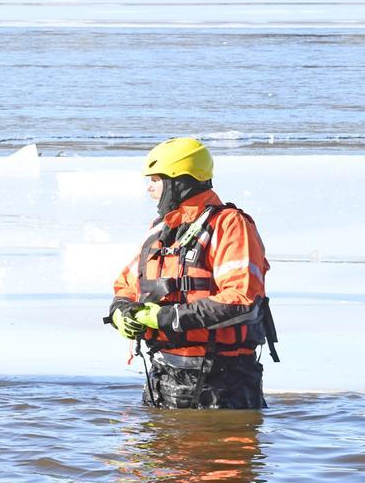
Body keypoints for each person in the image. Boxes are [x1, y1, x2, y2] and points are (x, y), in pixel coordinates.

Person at [107, 138, 278, 409]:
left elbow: (242, 299)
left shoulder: (231, 225)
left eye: (155, 179)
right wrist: (121, 309)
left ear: (179, 181)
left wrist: (166, 317)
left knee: (218, 450)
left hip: (224, 380)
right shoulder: (159, 229)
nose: (149, 187)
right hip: (163, 374)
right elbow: (129, 283)